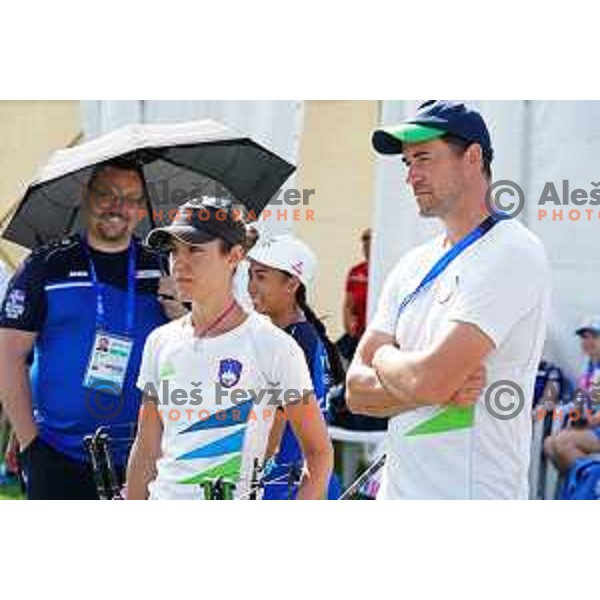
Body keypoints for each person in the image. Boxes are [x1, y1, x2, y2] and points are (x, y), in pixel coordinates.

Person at [347, 100, 550, 499]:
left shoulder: (512, 251)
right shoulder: (412, 264)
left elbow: (429, 379)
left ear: (473, 157)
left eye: (423, 158)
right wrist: (422, 383)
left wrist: (387, 359)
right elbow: (354, 393)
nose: (411, 177)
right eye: (407, 164)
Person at [0, 157, 185, 500]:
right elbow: (8, 355)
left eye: (131, 199)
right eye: (107, 194)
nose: (118, 207)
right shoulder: (45, 265)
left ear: (143, 210)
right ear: (87, 197)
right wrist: (29, 443)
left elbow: (203, 349)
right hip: (58, 455)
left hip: (147, 455)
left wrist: (181, 313)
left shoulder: (166, 267)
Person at [126, 197, 333, 500]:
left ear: (234, 256)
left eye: (194, 249)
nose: (178, 262)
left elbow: (319, 454)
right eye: (174, 250)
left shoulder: (274, 346)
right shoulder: (160, 341)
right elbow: (145, 448)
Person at [247, 234, 344, 499]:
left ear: (291, 283)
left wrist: (244, 483)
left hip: (286, 484)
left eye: (262, 277)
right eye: (250, 276)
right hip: (304, 480)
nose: (251, 287)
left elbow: (273, 427)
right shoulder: (300, 334)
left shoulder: (294, 341)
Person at [543, 317, 600, 473]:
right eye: (584, 337)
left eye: (594, 336)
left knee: (562, 443)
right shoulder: (590, 367)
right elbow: (580, 401)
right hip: (591, 427)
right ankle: (579, 488)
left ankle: (590, 488)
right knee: (549, 444)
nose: (588, 342)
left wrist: (590, 419)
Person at [339, 228, 371, 363]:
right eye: (364, 240)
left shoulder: (387, 270)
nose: (366, 244)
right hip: (358, 336)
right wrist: (348, 323)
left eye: (369, 240)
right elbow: (348, 304)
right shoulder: (356, 272)